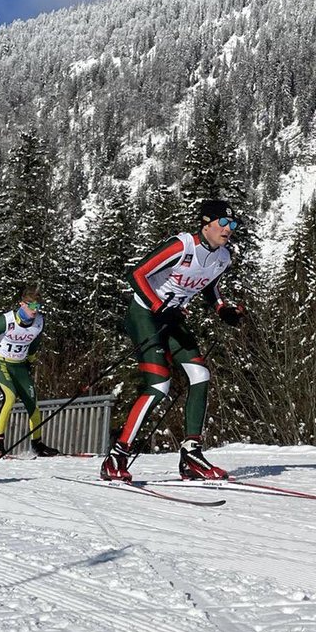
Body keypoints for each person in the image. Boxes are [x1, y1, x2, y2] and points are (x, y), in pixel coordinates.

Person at [101, 200, 245, 483]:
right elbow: (137, 274)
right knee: (159, 384)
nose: (229, 229)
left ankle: (191, 453)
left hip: (171, 316)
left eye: (234, 224)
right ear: (206, 224)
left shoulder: (223, 257)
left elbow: (210, 285)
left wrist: (222, 309)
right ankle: (118, 454)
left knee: (200, 374)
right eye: (224, 223)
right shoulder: (182, 246)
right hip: (144, 313)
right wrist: (157, 305)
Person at [0, 285, 58, 457]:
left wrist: (30, 360)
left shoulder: (39, 322)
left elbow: (35, 343)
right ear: (22, 304)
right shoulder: (7, 321)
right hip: (1, 363)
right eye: (31, 306)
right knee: (10, 397)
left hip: (20, 366)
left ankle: (37, 444)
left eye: (38, 307)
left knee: (33, 404)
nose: (35, 310)